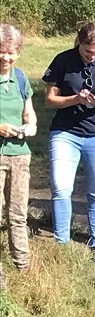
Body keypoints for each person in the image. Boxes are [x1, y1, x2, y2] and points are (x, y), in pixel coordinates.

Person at [42, 22, 95, 270]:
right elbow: (49, 100)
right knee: (61, 187)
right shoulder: (62, 60)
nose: (93, 56)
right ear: (79, 43)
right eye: (88, 51)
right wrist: (75, 99)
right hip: (65, 133)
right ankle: (62, 245)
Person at [0, 24, 36, 280]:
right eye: (1, 51)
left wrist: (30, 126)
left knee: (18, 214)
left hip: (20, 154)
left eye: (11, 52)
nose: (6, 57)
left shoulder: (21, 78)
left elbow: (28, 112)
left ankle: (22, 268)